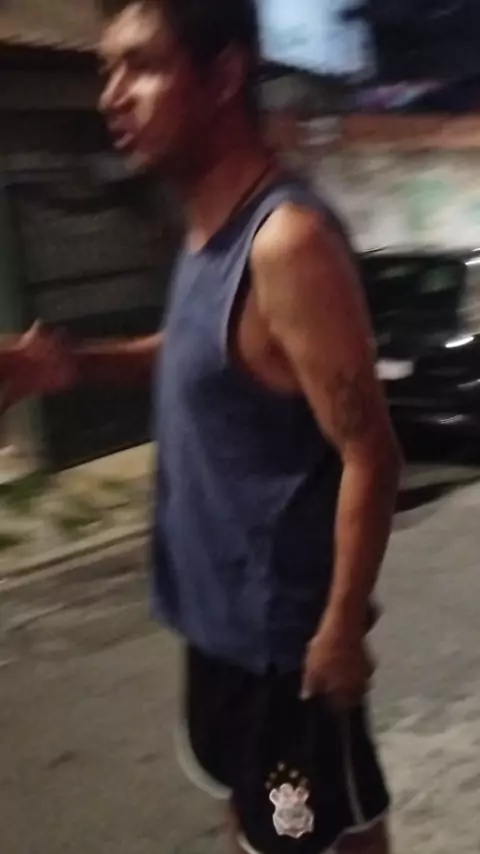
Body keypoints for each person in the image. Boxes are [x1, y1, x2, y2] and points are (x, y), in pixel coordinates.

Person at [0, 2, 402, 852]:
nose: (112, 95)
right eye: (107, 70)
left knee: (320, 838)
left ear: (223, 76)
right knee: (261, 825)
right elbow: (198, 352)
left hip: (283, 656)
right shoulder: (205, 230)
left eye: (141, 67)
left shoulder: (285, 243)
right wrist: (71, 364)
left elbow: (370, 451)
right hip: (217, 635)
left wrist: (337, 630)